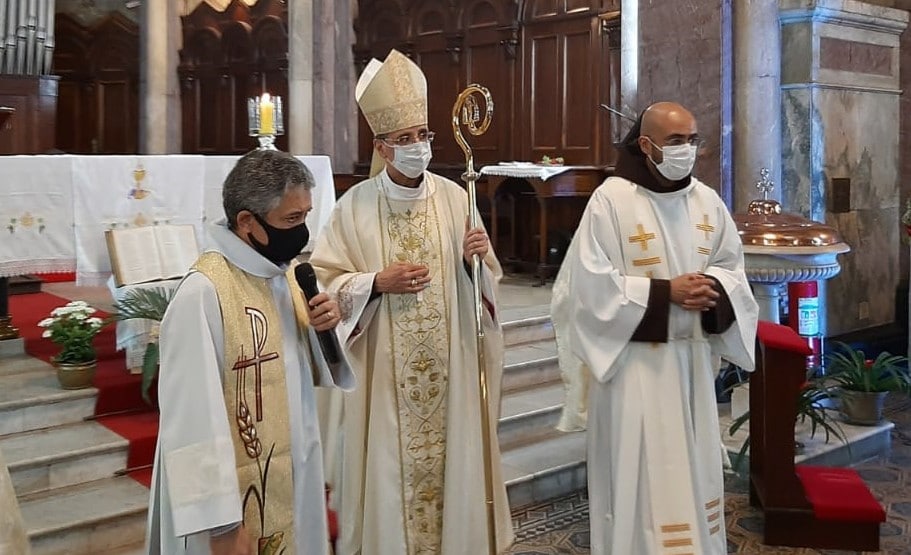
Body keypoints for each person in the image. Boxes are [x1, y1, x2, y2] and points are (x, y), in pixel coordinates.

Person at [308, 49, 514, 554]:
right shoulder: (354, 206)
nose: (417, 147)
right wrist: (375, 282)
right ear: (382, 145)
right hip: (384, 377)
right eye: (404, 140)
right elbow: (326, 282)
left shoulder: (454, 197)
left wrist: (478, 261)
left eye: (422, 136)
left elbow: (487, 290)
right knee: (389, 474)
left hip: (453, 369)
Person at [558, 102, 758, 554]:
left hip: (689, 366)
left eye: (693, 140)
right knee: (642, 483)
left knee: (694, 472)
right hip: (634, 371)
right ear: (645, 145)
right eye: (675, 141)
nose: (687, 150)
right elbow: (587, 291)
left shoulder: (707, 201)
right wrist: (666, 292)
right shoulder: (611, 200)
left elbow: (733, 269)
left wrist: (715, 288)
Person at [145, 150, 354, 555]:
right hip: (229, 507)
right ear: (247, 222)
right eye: (292, 220)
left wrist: (323, 330)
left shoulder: (284, 274)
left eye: (306, 216)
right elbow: (191, 420)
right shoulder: (203, 293)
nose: (303, 232)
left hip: (295, 471)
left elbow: (297, 370)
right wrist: (220, 524)